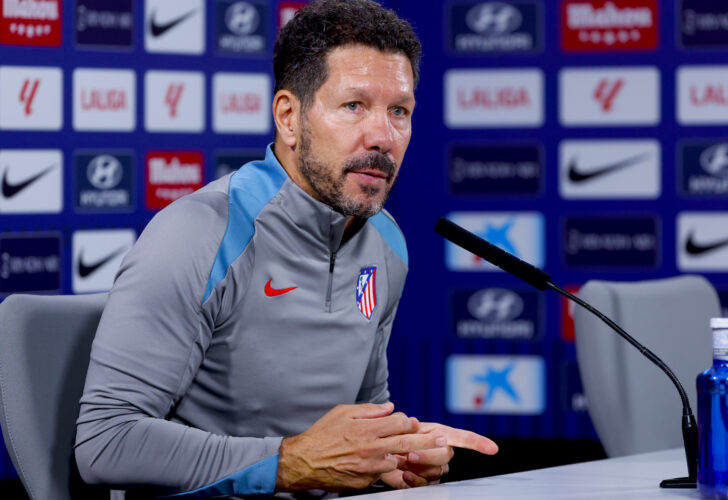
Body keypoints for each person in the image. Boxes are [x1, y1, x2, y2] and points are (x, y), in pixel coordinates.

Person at [74, 0, 498, 498]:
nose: (383, 136)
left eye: (399, 111)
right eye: (354, 106)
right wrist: (289, 462)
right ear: (289, 118)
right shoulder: (201, 233)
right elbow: (105, 441)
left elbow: (365, 418)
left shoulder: (387, 243)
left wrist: (393, 456)